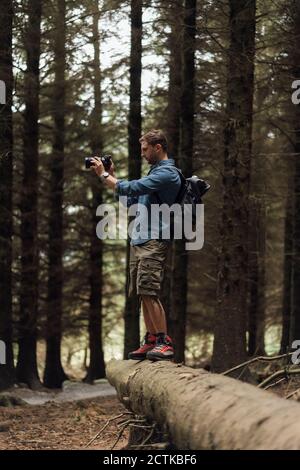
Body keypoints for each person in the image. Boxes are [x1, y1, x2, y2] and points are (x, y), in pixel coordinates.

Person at [90, 129, 181, 361]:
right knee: (142, 292)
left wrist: (104, 176)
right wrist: (112, 175)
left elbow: (130, 187)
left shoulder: (167, 174)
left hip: (154, 239)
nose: (142, 154)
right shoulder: (153, 174)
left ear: (157, 147)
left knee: (150, 291)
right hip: (139, 239)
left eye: (145, 149)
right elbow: (129, 199)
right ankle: (151, 340)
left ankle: (164, 342)